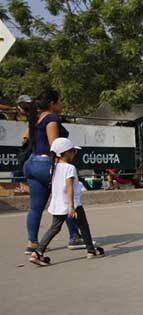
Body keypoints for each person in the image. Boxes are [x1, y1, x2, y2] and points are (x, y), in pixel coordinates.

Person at [23, 89, 85, 255]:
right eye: (60, 101)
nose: (62, 104)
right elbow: (55, 146)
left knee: (35, 206)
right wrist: (63, 167)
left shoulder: (35, 118)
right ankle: (74, 237)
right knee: (66, 199)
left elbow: (24, 139)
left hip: (32, 163)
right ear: (52, 103)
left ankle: (32, 242)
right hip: (46, 164)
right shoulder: (51, 118)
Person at [29, 138, 104, 266]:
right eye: (72, 151)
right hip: (71, 204)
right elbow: (69, 187)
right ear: (65, 153)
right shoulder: (70, 168)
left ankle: (37, 252)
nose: (74, 153)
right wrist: (72, 206)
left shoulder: (54, 167)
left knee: (54, 228)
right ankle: (91, 251)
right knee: (83, 226)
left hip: (58, 203)